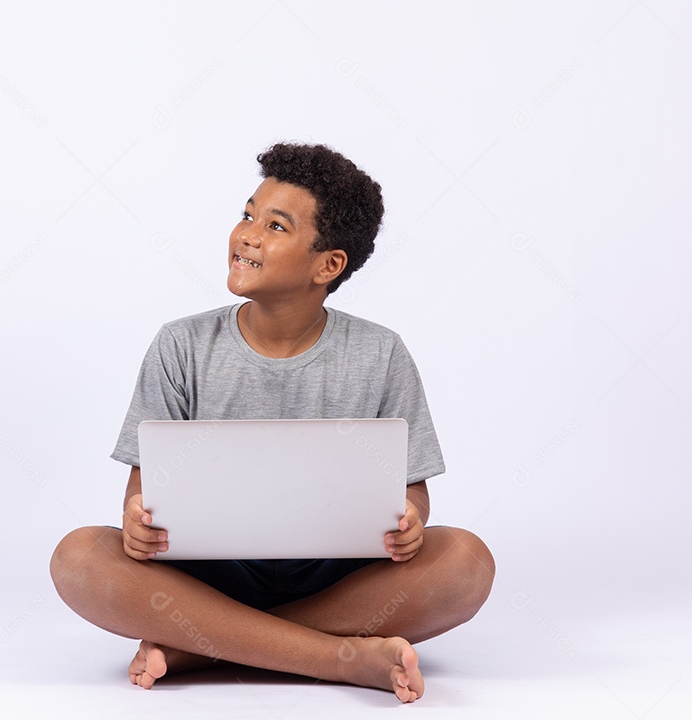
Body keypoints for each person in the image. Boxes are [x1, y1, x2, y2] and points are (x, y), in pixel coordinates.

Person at [50, 142, 495, 703]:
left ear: (328, 265)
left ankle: (206, 646)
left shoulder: (381, 353)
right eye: (247, 214)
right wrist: (136, 521)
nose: (247, 235)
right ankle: (338, 658)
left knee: (466, 562)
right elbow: (142, 492)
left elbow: (413, 496)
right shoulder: (180, 345)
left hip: (339, 578)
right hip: (205, 575)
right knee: (79, 557)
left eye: (276, 226)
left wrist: (410, 523)